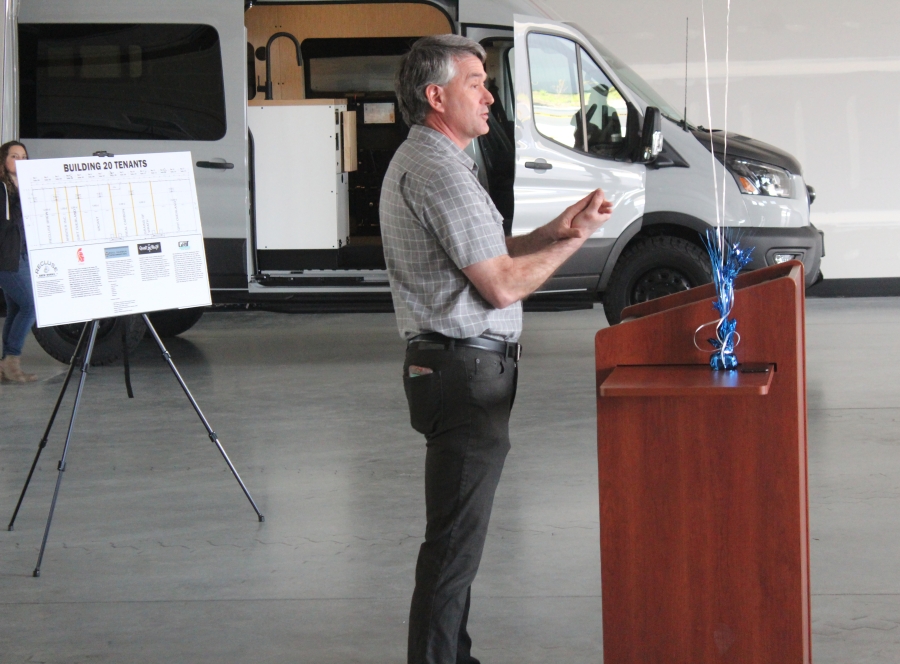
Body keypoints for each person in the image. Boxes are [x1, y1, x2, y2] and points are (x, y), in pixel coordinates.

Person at [381, 35, 613, 664]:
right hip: (463, 370)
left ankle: (454, 654)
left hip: (460, 368)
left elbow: (490, 251)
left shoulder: (441, 162)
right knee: (455, 543)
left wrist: (555, 230)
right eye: (476, 83)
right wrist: (575, 246)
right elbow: (502, 283)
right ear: (437, 96)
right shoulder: (438, 171)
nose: (489, 96)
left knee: (459, 538)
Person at [0, 140, 38, 383]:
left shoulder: (25, 186)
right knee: (31, 306)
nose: (20, 161)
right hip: (7, 256)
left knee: (16, 307)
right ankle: (12, 362)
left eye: (23, 157)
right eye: (14, 156)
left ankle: (5, 363)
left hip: (21, 254)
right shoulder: (3, 188)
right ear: (3, 160)